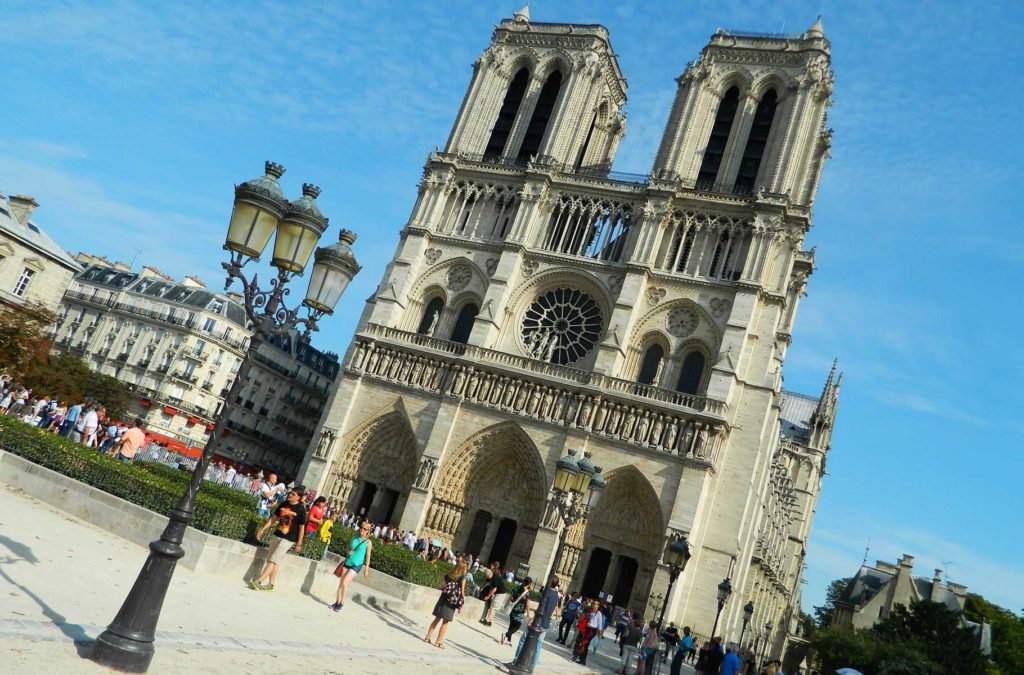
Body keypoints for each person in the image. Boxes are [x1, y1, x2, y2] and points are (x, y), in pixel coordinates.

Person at [249, 487, 306, 592]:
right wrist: (262, 530)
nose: (290, 495)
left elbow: (302, 528)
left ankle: (259, 581)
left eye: (293, 494)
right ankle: (271, 585)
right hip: (277, 534)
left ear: (298, 497)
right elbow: (273, 519)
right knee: (273, 560)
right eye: (290, 493)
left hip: (289, 538)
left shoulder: (301, 509)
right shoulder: (284, 504)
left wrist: (299, 544)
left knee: (273, 560)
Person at [511, 576, 561, 670]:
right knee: (538, 645)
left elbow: (540, 608)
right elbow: (553, 609)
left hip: (538, 621)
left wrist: (531, 619)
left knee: (523, 640)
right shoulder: (556, 594)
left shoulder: (546, 593)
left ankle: (516, 661)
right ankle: (532, 667)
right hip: (546, 623)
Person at [425, 560, 469, 649]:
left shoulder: (449, 574)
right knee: (445, 622)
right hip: (451, 602)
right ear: (464, 568)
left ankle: (427, 637)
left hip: (443, 599)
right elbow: (462, 592)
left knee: (436, 619)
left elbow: (445, 586)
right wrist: (461, 604)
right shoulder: (462, 577)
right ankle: (438, 642)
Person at [329, 520, 372, 611]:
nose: (362, 530)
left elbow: (368, 556)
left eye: (365, 529)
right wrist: (349, 551)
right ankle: (337, 602)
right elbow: (348, 548)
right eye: (361, 527)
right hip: (348, 561)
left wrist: (366, 569)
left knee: (345, 582)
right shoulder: (354, 537)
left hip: (357, 564)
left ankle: (342, 603)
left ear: (368, 531)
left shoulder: (368, 542)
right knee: (341, 583)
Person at [501, 576, 533, 647]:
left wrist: (506, 605)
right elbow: (528, 605)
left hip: (512, 609)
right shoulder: (527, 593)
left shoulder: (516, 588)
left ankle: (508, 640)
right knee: (517, 627)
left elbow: (509, 597)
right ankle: (506, 635)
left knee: (511, 625)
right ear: (529, 584)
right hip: (520, 612)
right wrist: (528, 615)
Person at [573, 599, 606, 666]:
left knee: (584, 643)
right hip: (586, 628)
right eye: (593, 604)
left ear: (598, 606)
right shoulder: (589, 610)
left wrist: (600, 634)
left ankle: (576, 655)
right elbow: (583, 617)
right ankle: (583, 660)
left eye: (595, 604)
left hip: (592, 631)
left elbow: (600, 625)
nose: (593, 605)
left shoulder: (599, 614)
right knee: (584, 644)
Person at [478, 562, 501, 626]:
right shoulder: (497, 572)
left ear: (494, 565)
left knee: (491, 606)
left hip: (492, 590)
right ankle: (490, 621)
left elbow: (487, 582)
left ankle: (486, 620)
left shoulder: (492, 572)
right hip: (494, 591)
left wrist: (481, 588)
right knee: (492, 607)